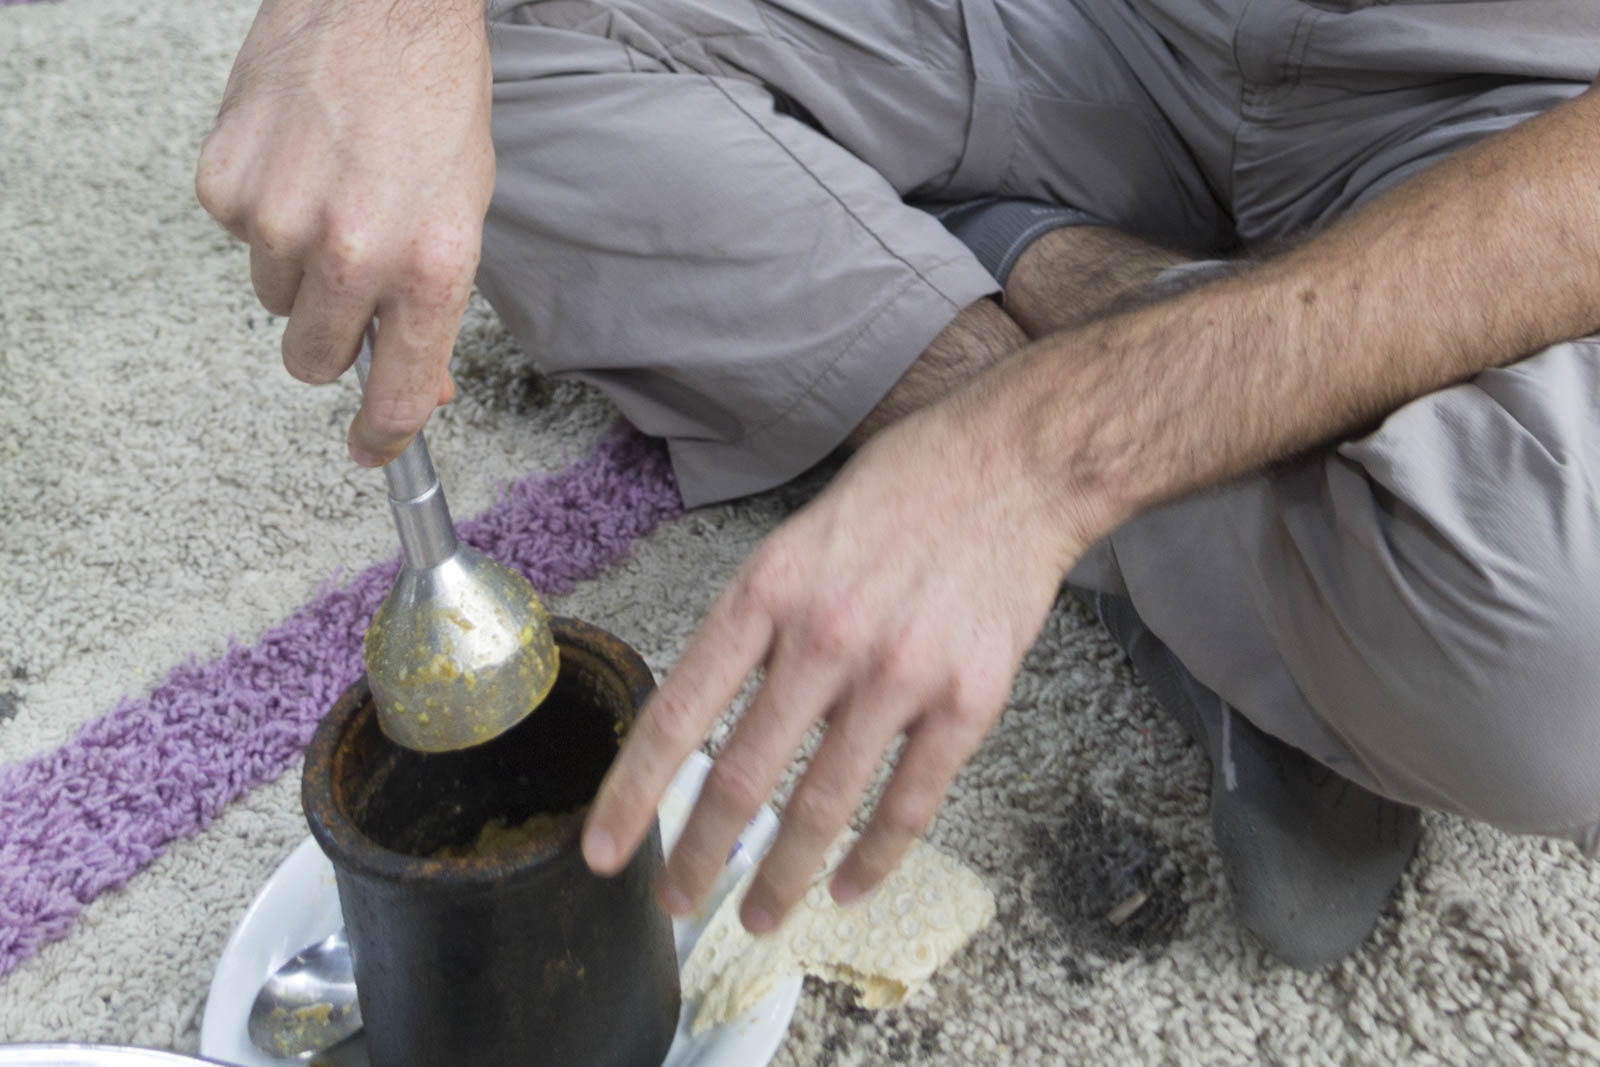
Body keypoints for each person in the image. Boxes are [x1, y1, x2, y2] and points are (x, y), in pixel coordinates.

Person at [197, 0, 1600, 968]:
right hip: (1092, 27)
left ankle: (1014, 263)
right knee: (473, 93)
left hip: (1520, 105)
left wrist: (1049, 450)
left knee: (1549, 672)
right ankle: (1247, 528)